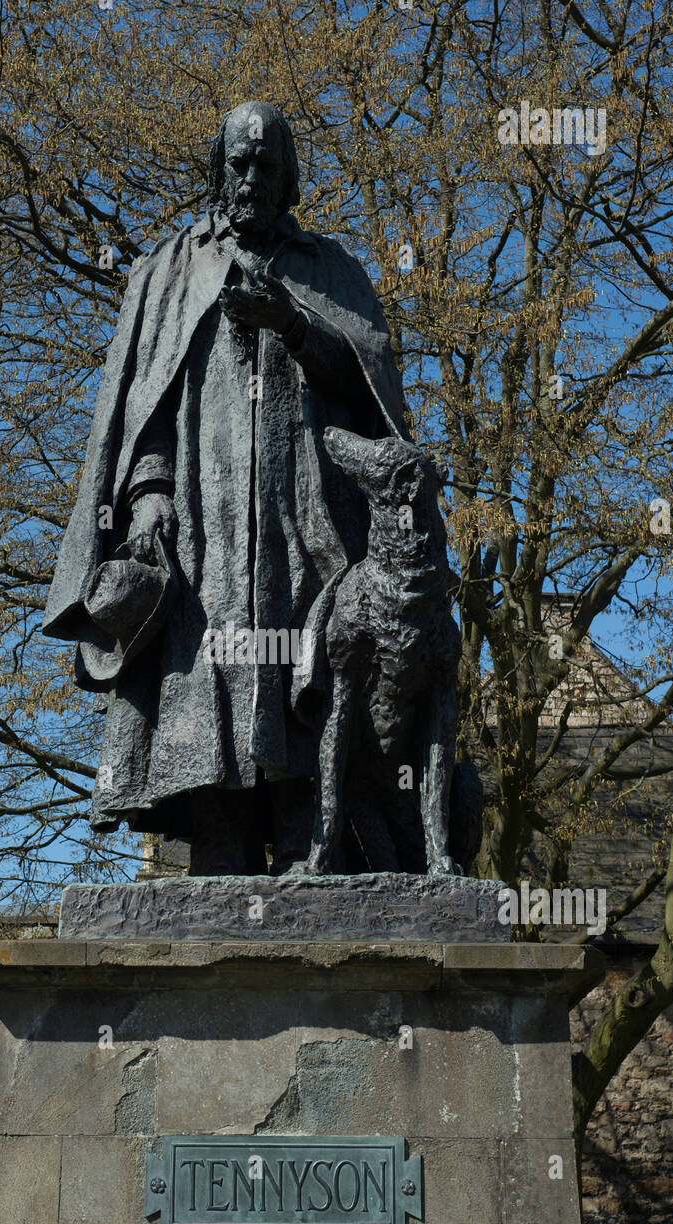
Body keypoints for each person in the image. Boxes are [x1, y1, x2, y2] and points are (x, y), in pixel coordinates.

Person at [43, 100, 410, 873]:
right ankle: (216, 863)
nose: (250, 177)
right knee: (202, 692)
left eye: (265, 164)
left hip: (311, 517)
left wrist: (295, 326)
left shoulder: (329, 270)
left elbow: (377, 398)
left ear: (287, 175)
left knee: (312, 690)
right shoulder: (168, 270)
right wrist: (148, 498)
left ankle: (321, 860)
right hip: (202, 528)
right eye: (237, 163)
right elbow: (143, 408)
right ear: (218, 170)